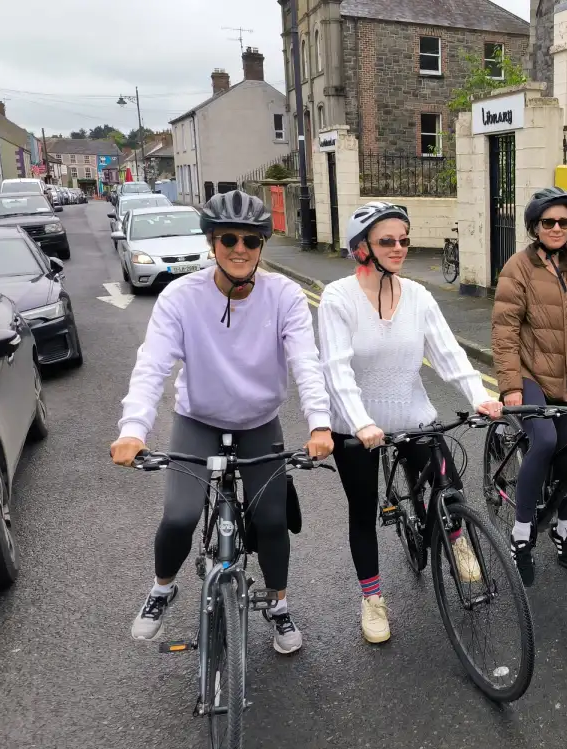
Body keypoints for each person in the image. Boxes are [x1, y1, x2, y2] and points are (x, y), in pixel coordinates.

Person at [112, 189, 335, 655]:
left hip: (258, 422)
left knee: (272, 520)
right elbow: (153, 365)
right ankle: (162, 588)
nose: (239, 249)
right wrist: (133, 430)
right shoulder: (181, 296)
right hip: (199, 419)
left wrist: (320, 423)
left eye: (250, 241)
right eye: (228, 238)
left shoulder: (284, 295)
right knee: (180, 515)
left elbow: (306, 362)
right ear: (212, 242)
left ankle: (278, 604)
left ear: (262, 247)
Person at [317, 202, 501, 644]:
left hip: (411, 413)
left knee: (448, 484)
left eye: (404, 239)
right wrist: (360, 422)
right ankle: (372, 600)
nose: (400, 248)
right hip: (355, 425)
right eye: (388, 241)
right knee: (361, 510)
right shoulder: (338, 298)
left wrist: (479, 396)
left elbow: (447, 353)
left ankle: (457, 541)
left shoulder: (418, 296)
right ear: (362, 248)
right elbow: (335, 368)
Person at [492, 187, 567, 586]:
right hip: (531, 374)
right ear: (535, 227)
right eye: (548, 222)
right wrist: (511, 386)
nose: (557, 228)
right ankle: (522, 533)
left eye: (563, 222)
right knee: (547, 441)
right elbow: (504, 331)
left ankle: (563, 527)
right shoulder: (518, 268)